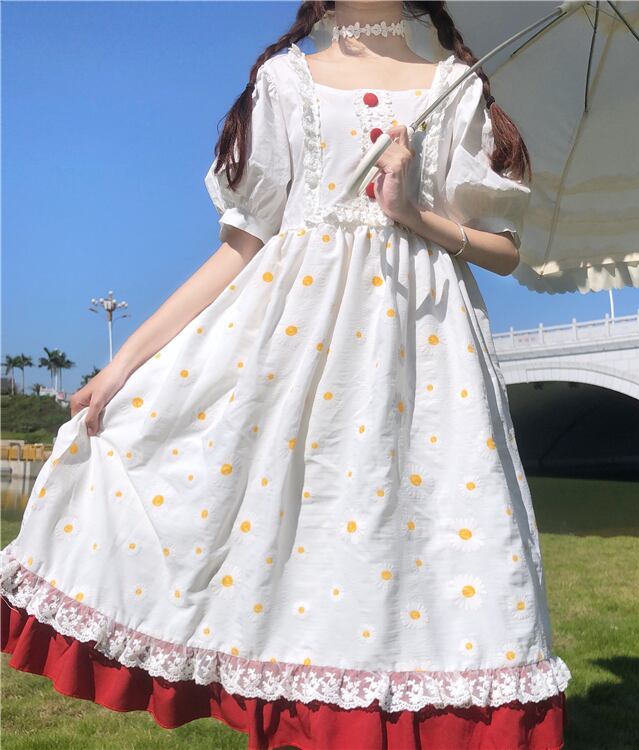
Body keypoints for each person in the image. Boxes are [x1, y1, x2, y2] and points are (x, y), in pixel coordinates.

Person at [0, 1, 571, 748]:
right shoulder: (284, 80)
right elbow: (241, 246)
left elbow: (504, 249)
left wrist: (411, 213)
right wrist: (123, 365)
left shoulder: (455, 86)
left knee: (434, 551)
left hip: (429, 367)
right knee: (300, 566)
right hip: (295, 362)